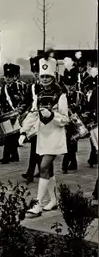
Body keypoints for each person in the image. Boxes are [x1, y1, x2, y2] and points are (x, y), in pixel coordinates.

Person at [20, 54, 69, 217]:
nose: (45, 79)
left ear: (53, 76)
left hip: (55, 136)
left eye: (48, 76)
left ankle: (38, 204)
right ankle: (54, 200)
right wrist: (23, 131)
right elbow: (32, 115)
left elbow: (65, 119)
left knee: (43, 166)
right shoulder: (38, 95)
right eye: (43, 76)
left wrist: (52, 115)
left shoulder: (61, 95)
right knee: (48, 169)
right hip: (43, 136)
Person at [0, 61, 27, 164]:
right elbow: (1, 100)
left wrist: (19, 110)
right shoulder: (4, 88)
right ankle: (15, 156)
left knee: (11, 137)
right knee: (10, 135)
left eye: (10, 76)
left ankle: (6, 156)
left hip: (15, 114)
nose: (8, 78)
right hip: (7, 114)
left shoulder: (19, 86)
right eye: (6, 76)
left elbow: (24, 100)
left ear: (15, 76)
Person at [61, 57, 85, 174]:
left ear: (75, 83)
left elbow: (83, 107)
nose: (70, 87)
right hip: (66, 123)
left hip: (76, 123)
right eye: (67, 84)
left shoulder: (79, 95)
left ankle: (65, 164)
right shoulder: (62, 95)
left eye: (72, 84)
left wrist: (78, 109)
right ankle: (73, 162)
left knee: (72, 142)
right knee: (69, 143)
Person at [21, 51, 42, 183]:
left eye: (38, 71)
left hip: (45, 120)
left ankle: (41, 170)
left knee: (40, 148)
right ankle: (31, 172)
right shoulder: (32, 87)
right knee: (35, 146)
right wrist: (22, 110)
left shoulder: (50, 87)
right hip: (34, 120)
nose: (36, 74)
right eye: (34, 71)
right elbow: (27, 101)